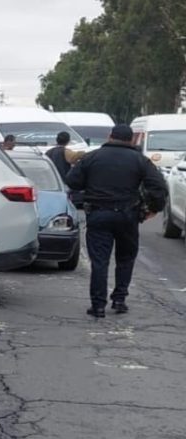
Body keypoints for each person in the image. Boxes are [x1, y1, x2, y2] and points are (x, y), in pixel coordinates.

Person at [65, 124, 166, 318]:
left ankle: (98, 305)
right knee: (126, 258)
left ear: (110, 136)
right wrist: (153, 208)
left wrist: (91, 184)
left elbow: (72, 181)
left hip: (98, 213)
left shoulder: (92, 157)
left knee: (100, 261)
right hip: (128, 215)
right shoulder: (140, 160)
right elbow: (158, 186)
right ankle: (119, 299)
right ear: (132, 140)